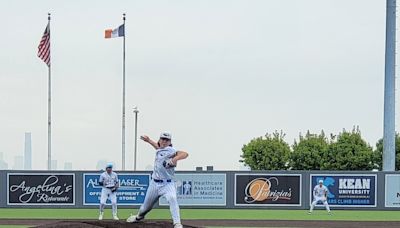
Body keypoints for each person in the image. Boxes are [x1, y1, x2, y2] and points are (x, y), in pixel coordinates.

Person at [127, 132, 189, 228]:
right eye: (162, 139)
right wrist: (148, 141)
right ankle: (138, 217)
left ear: (170, 142)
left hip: (167, 184)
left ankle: (177, 223)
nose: (164, 141)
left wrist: (174, 159)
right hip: (154, 184)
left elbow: (185, 154)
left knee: (172, 198)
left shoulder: (171, 150)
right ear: (160, 140)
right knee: (145, 208)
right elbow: (158, 147)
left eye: (166, 140)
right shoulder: (160, 149)